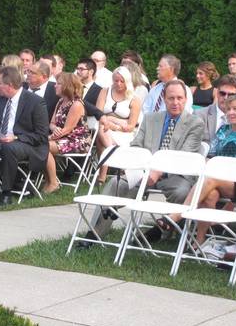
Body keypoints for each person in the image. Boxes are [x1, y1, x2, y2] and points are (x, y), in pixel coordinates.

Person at [76, 80, 205, 247]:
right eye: (171, 98)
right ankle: (94, 234)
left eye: (180, 98)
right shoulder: (151, 119)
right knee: (116, 183)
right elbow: (137, 146)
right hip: (145, 171)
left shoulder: (195, 123)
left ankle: (163, 230)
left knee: (183, 192)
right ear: (164, 99)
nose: (175, 102)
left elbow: (184, 155)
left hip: (176, 174)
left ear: (186, 99)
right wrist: (139, 169)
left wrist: (157, 171)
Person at [165, 92, 236, 242]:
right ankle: (200, 240)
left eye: (235, 109)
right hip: (216, 181)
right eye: (229, 108)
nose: (230, 112)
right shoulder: (224, 130)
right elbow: (210, 156)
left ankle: (178, 215)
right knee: (210, 194)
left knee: (211, 179)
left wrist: (221, 169)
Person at [0, 66, 49, 205]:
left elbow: (41, 135)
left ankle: (6, 192)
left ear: (10, 85)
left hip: (26, 144)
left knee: (9, 147)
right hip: (1, 139)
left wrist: (16, 138)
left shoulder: (35, 102)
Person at [42, 72, 90, 194]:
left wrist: (49, 137)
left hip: (76, 140)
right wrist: (54, 129)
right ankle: (48, 180)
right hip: (62, 137)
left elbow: (68, 129)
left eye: (58, 84)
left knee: (44, 146)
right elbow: (51, 123)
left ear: (67, 86)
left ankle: (53, 182)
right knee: (40, 145)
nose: (55, 86)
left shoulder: (77, 104)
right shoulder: (60, 102)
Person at [94, 66, 143, 184]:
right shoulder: (105, 91)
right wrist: (112, 120)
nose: (119, 84)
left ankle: (102, 175)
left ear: (128, 81)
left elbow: (131, 126)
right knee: (102, 128)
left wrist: (113, 123)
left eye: (122, 81)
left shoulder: (134, 99)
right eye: (116, 80)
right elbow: (98, 113)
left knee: (101, 137)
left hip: (123, 133)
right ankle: (112, 152)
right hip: (104, 127)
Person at [199, 75, 236, 146]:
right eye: (222, 93)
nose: (226, 97)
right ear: (217, 93)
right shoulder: (200, 115)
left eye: (231, 95)